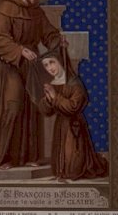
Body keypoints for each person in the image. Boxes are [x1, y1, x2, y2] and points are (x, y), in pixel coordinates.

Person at [0, 0, 67, 169]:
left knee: (34, 107)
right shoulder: (6, 7)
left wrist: (57, 40)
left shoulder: (36, 11)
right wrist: (20, 50)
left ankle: (31, 157)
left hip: (33, 65)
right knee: (13, 106)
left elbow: (48, 34)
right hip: (14, 64)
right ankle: (5, 158)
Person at [36, 50, 109, 181]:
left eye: (52, 62)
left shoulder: (74, 82)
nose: (50, 68)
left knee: (73, 166)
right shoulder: (53, 83)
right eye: (46, 65)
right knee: (60, 165)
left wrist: (55, 97)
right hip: (61, 125)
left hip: (74, 126)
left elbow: (73, 107)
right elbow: (46, 111)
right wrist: (48, 100)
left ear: (60, 62)